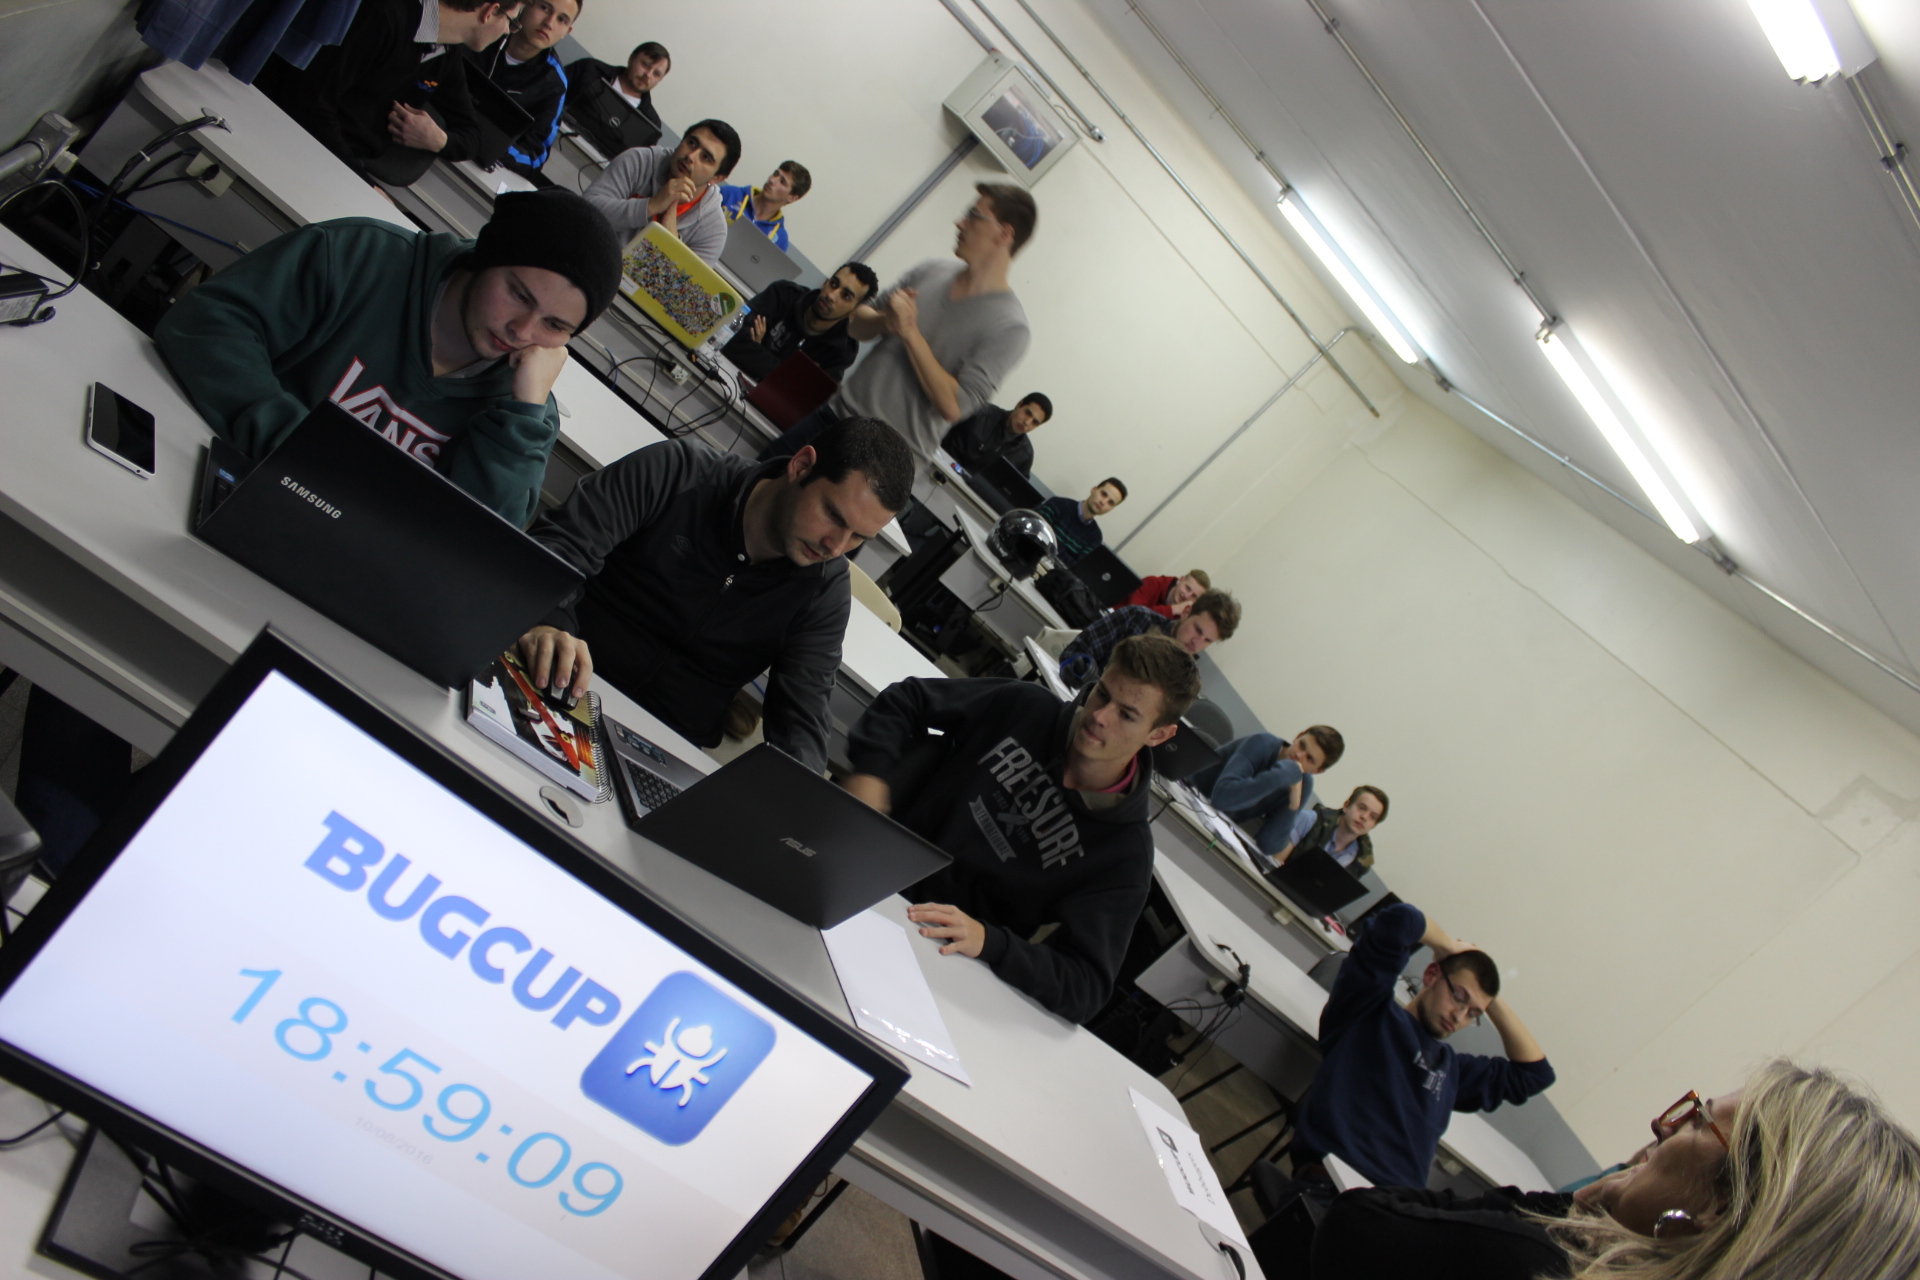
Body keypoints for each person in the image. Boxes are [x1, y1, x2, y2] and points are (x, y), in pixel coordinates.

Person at [154, 189, 621, 527]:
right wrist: (301, 451)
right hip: (204, 460)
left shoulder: (523, 407)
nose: (522, 331)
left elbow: (476, 540)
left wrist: (524, 415)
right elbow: (205, 326)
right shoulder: (360, 256)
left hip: (326, 546)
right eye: (517, 294)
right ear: (486, 257)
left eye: (554, 326)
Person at [516, 418, 913, 773]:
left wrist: (797, 793)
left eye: (858, 537)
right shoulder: (679, 472)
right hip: (559, 682)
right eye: (833, 515)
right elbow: (558, 548)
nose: (835, 546)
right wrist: (549, 622)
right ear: (801, 466)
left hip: (663, 750)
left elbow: (802, 717)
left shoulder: (825, 589)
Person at [841, 633, 1201, 1022]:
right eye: (1101, 694)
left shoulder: (1124, 852)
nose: (1100, 716)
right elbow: (908, 698)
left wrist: (991, 943)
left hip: (937, 947)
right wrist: (871, 773)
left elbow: (1086, 986)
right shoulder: (1027, 707)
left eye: (1126, 715)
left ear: (1158, 734)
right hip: (867, 865)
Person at [1304, 1059, 1920, 1280]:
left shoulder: (1533, 1263)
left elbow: (1352, 1226)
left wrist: (1568, 1212)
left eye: (1699, 1122)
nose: (1662, 1126)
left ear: (1721, 1208)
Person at [1289, 901, 1553, 1194]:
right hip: (1338, 1186)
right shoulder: (1369, 1009)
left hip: (1399, 1204)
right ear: (1431, 975)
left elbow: (1535, 1074)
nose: (1460, 1016)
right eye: (1459, 997)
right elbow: (1402, 920)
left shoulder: (1451, 1068)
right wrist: (1450, 948)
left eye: (1473, 1014)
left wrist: (1491, 1000)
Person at [760, 184, 1035, 463]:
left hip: (882, 458)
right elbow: (856, 324)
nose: (960, 222)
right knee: (756, 477)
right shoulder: (931, 270)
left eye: (974, 216)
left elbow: (954, 406)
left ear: (1004, 234)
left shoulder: (1010, 327)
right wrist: (886, 320)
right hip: (834, 417)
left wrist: (910, 333)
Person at [255, 0, 521, 182]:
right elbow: (310, 105)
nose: (507, 31)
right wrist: (362, 182)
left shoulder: (446, 51)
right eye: (511, 22)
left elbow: (474, 136)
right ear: (490, 11)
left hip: (338, 163)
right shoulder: (385, 16)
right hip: (290, 141)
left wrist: (438, 139)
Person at [582, 119, 740, 264]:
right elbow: (585, 210)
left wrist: (670, 236)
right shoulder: (640, 160)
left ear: (717, 178)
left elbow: (683, 283)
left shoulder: (713, 228)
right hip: (586, 256)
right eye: (691, 143)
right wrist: (651, 205)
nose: (691, 156)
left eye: (705, 157)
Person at [1189, 727, 1344, 856]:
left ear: (1317, 771)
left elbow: (1269, 845)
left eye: (1309, 758)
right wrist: (1280, 775)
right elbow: (1222, 798)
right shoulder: (1262, 743)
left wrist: (1293, 805)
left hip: (1213, 825)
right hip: (1187, 796)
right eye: (1302, 745)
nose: (1299, 755)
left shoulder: (1304, 784)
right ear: (1298, 736)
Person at [465, 0, 578, 176]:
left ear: (567, 32)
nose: (549, 23)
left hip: (474, 157)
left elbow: (535, 156)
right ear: (526, 4)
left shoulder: (554, 83)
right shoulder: (484, 26)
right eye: (544, 8)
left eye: (561, 20)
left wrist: (492, 144)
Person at [720, 263, 877, 382]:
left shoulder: (843, 349)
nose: (831, 295)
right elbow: (731, 338)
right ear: (825, 282)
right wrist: (789, 376)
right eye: (834, 284)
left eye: (846, 296)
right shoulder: (783, 294)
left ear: (854, 312)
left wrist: (759, 350)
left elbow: (802, 398)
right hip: (724, 369)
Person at [1056, 591, 1241, 687]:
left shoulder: (1187, 678)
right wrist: (1087, 679)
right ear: (1186, 612)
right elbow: (1074, 653)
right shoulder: (1136, 618)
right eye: (1197, 629)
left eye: (1208, 640)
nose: (1197, 642)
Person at [562, 41, 668, 158]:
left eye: (656, 74)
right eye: (645, 65)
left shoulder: (651, 122)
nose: (648, 75)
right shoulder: (590, 69)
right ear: (631, 59)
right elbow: (551, 93)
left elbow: (635, 162)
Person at [1275, 785, 1386, 870]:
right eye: (1361, 808)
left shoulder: (1362, 858)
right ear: (1346, 806)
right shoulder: (1310, 820)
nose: (1364, 817)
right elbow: (1275, 862)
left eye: (1373, 817)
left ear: (1374, 825)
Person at [940, 392, 1049, 478]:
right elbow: (941, 428)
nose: (1027, 422)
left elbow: (1015, 491)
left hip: (973, 493)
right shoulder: (980, 413)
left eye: (1035, 422)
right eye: (1027, 413)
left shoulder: (1025, 454)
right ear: (1019, 404)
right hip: (941, 465)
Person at [718, 162, 809, 252]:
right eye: (775, 174)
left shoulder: (780, 238)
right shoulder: (730, 193)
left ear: (792, 198)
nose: (772, 180)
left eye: (782, 182)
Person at [1037, 479, 1124, 567]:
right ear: (1094, 489)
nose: (1103, 502)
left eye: (1110, 503)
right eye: (1103, 494)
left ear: (1111, 509)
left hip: (1053, 573)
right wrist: (1065, 555)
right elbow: (1035, 533)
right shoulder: (1057, 504)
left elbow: (1075, 569)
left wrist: (1052, 543)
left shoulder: (1096, 537)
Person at [1121, 569, 1209, 619]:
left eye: (1194, 596)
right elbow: (1134, 615)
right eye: (1187, 588)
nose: (1187, 596)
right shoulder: (1153, 583)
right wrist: (1173, 609)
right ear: (1180, 580)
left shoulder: (1186, 614)